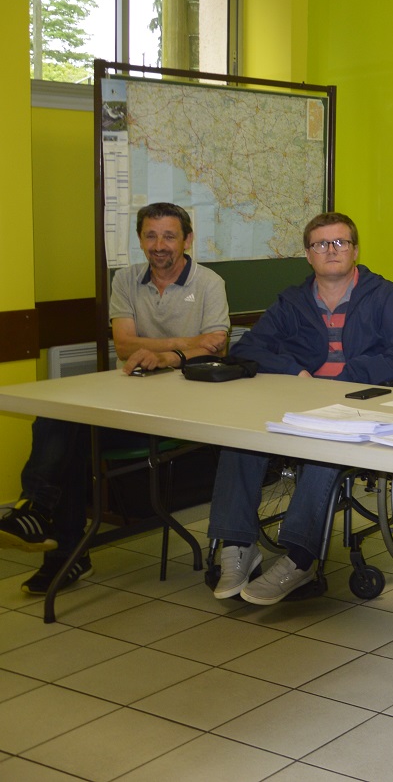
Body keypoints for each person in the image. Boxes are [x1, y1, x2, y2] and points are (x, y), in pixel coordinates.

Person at [0, 202, 229, 594]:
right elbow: (123, 346)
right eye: (150, 235)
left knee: (70, 438)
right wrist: (188, 343)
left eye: (169, 236)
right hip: (130, 404)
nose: (159, 245)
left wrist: (161, 353)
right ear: (139, 239)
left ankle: (50, 532)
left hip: (184, 413)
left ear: (187, 240)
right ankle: (47, 525)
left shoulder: (209, 283)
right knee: (61, 419)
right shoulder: (125, 279)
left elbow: (217, 348)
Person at [206, 212, 393, 605]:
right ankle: (238, 546)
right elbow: (248, 348)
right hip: (301, 400)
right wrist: (297, 373)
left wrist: (343, 380)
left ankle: (300, 558)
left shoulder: (383, 295)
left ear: (355, 250)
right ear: (308, 254)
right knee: (241, 439)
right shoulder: (293, 301)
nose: (331, 250)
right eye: (321, 244)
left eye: (340, 242)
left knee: (323, 451)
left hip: (363, 404)